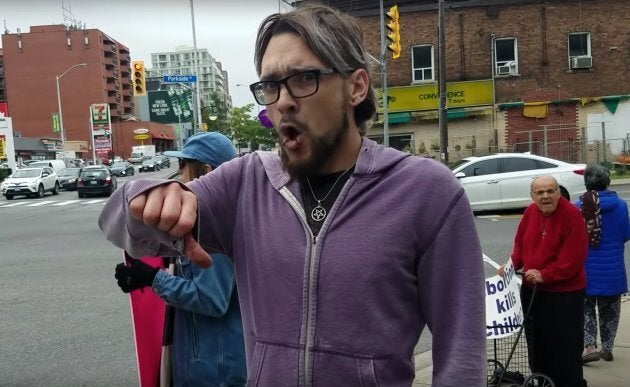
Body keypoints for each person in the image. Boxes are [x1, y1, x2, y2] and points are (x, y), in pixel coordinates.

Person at [99, 4, 487, 386]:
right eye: (270, 85)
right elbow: (124, 229)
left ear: (356, 87)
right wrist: (146, 195)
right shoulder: (245, 183)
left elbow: (462, 357)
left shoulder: (426, 192)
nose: (282, 100)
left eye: (303, 78)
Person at [113, 132, 246, 386]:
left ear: (205, 171)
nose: (179, 173)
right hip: (206, 362)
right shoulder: (206, 217)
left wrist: (153, 278)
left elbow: (211, 299)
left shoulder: (215, 223)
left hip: (215, 370)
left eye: (183, 165)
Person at [501, 175, 588, 387]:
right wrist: (510, 265)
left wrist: (545, 274)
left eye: (550, 191)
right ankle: (542, 380)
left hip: (564, 294)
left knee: (564, 346)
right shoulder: (530, 212)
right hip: (533, 292)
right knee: (537, 343)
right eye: (540, 192)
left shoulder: (572, 216)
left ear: (559, 193)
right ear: (532, 196)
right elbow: (520, 246)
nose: (545, 196)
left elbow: (573, 260)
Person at [574, 165, 630, 364]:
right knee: (611, 310)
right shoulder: (621, 206)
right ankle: (607, 348)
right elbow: (626, 234)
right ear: (608, 182)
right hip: (613, 269)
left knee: (586, 309)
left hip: (585, 269)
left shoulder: (577, 206)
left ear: (587, 183)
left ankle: (590, 346)